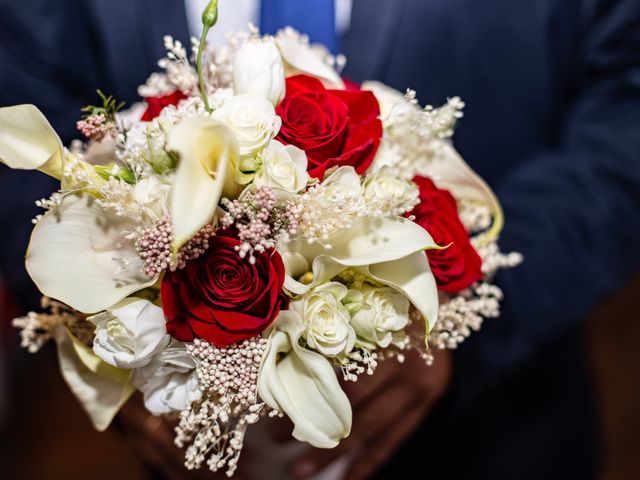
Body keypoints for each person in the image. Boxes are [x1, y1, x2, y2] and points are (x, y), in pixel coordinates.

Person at [1, 1, 639, 479]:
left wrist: (469, 314)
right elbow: (16, 103)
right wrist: (114, 346)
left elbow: (625, 116)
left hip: (491, 436)